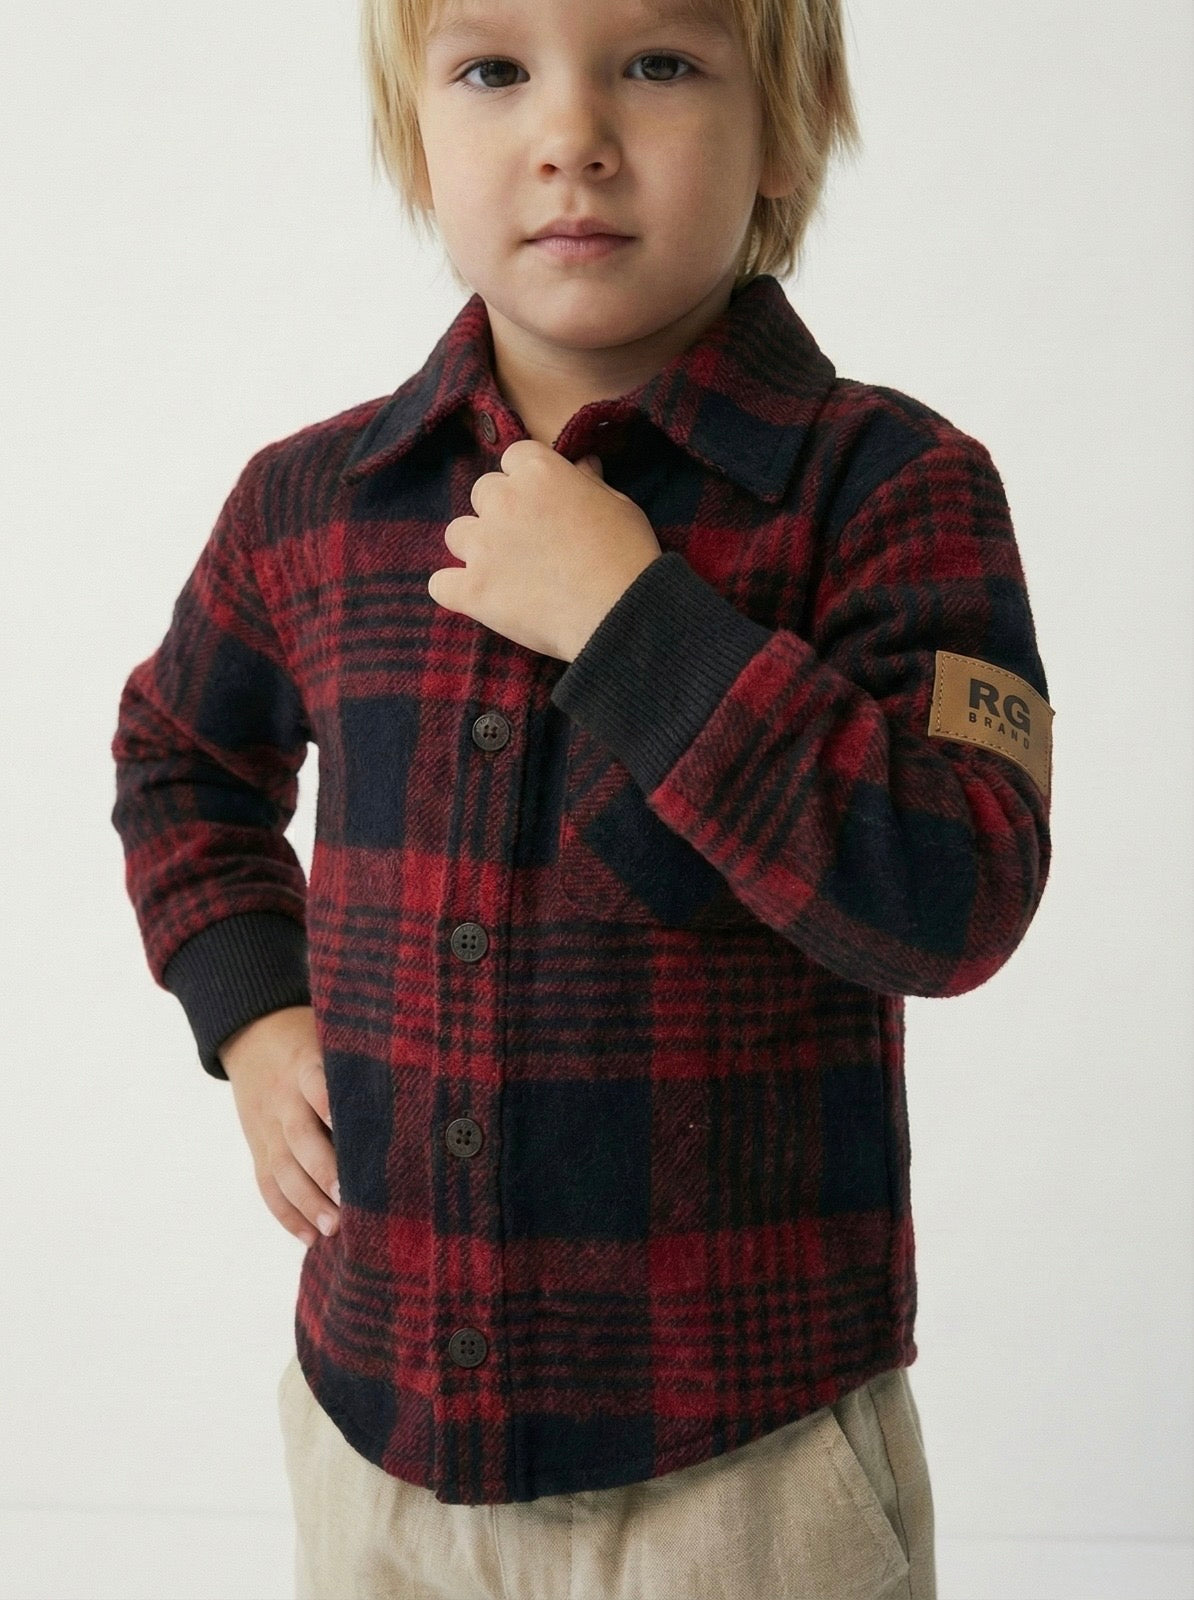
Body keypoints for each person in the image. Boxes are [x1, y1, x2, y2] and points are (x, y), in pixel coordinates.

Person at [110, 0, 1055, 1593]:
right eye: (494, 71)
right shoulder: (310, 503)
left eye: (658, 65)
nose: (571, 137)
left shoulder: (889, 486)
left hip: (741, 1468)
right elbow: (177, 760)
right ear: (416, 131)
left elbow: (958, 887)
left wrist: (636, 625)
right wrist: (255, 1012)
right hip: (377, 1438)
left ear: (784, 125)